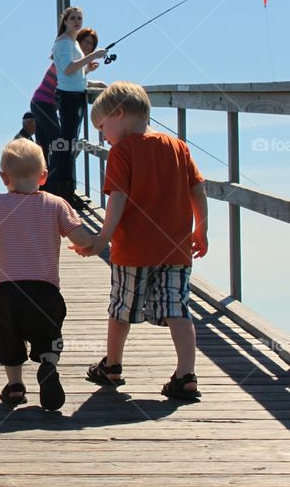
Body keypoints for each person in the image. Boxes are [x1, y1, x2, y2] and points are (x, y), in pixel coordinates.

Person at [71, 82, 209, 400]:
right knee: (178, 308)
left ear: (119, 114)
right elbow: (198, 190)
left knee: (122, 308)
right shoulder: (178, 147)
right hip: (176, 248)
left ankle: (113, 365)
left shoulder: (123, 151)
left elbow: (117, 199)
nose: (103, 135)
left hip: (132, 249)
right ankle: (186, 373)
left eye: (103, 127)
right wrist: (201, 229)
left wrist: (101, 239)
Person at [0, 138, 94, 410]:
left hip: (8, 291)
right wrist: (96, 240)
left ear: (3, 177)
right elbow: (81, 237)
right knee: (48, 336)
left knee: (9, 339)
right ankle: (48, 366)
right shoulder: (57, 204)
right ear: (43, 176)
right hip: (46, 291)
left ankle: (14, 387)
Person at [31, 27, 105, 202]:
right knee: (60, 145)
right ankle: (54, 192)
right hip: (44, 104)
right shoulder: (65, 58)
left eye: (92, 45)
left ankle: (45, 190)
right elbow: (68, 74)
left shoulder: (73, 63)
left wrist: (88, 73)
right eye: (85, 42)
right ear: (77, 42)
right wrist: (90, 63)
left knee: (48, 148)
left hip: (41, 104)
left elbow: (75, 79)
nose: (88, 46)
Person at [50, 8, 106, 205]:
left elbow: (73, 71)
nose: (76, 21)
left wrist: (86, 70)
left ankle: (67, 191)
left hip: (74, 95)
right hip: (68, 98)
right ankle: (65, 194)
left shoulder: (71, 42)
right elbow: (67, 68)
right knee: (67, 145)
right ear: (65, 21)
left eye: (79, 18)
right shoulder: (65, 42)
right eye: (72, 18)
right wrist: (93, 56)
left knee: (69, 143)